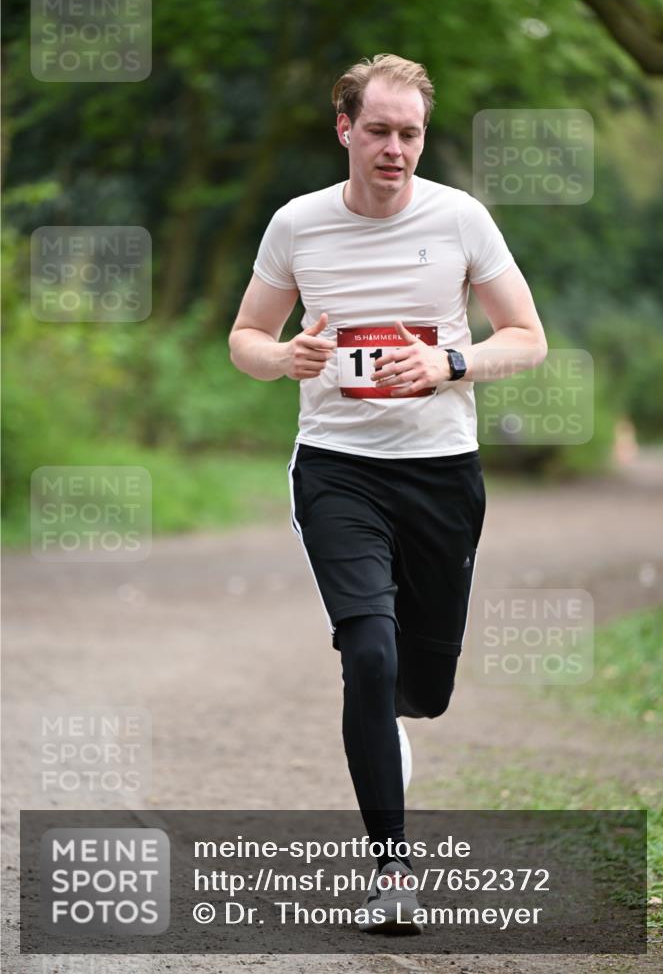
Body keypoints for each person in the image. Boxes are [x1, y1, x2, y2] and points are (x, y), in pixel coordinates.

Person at [229, 53, 547, 934]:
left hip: (442, 472)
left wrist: (451, 360)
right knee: (367, 653)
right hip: (336, 466)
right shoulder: (297, 224)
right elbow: (246, 337)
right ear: (344, 129)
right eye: (378, 130)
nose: (395, 148)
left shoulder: (460, 219)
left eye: (409, 133)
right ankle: (393, 873)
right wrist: (282, 357)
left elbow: (526, 337)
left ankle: (391, 718)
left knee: (421, 686)